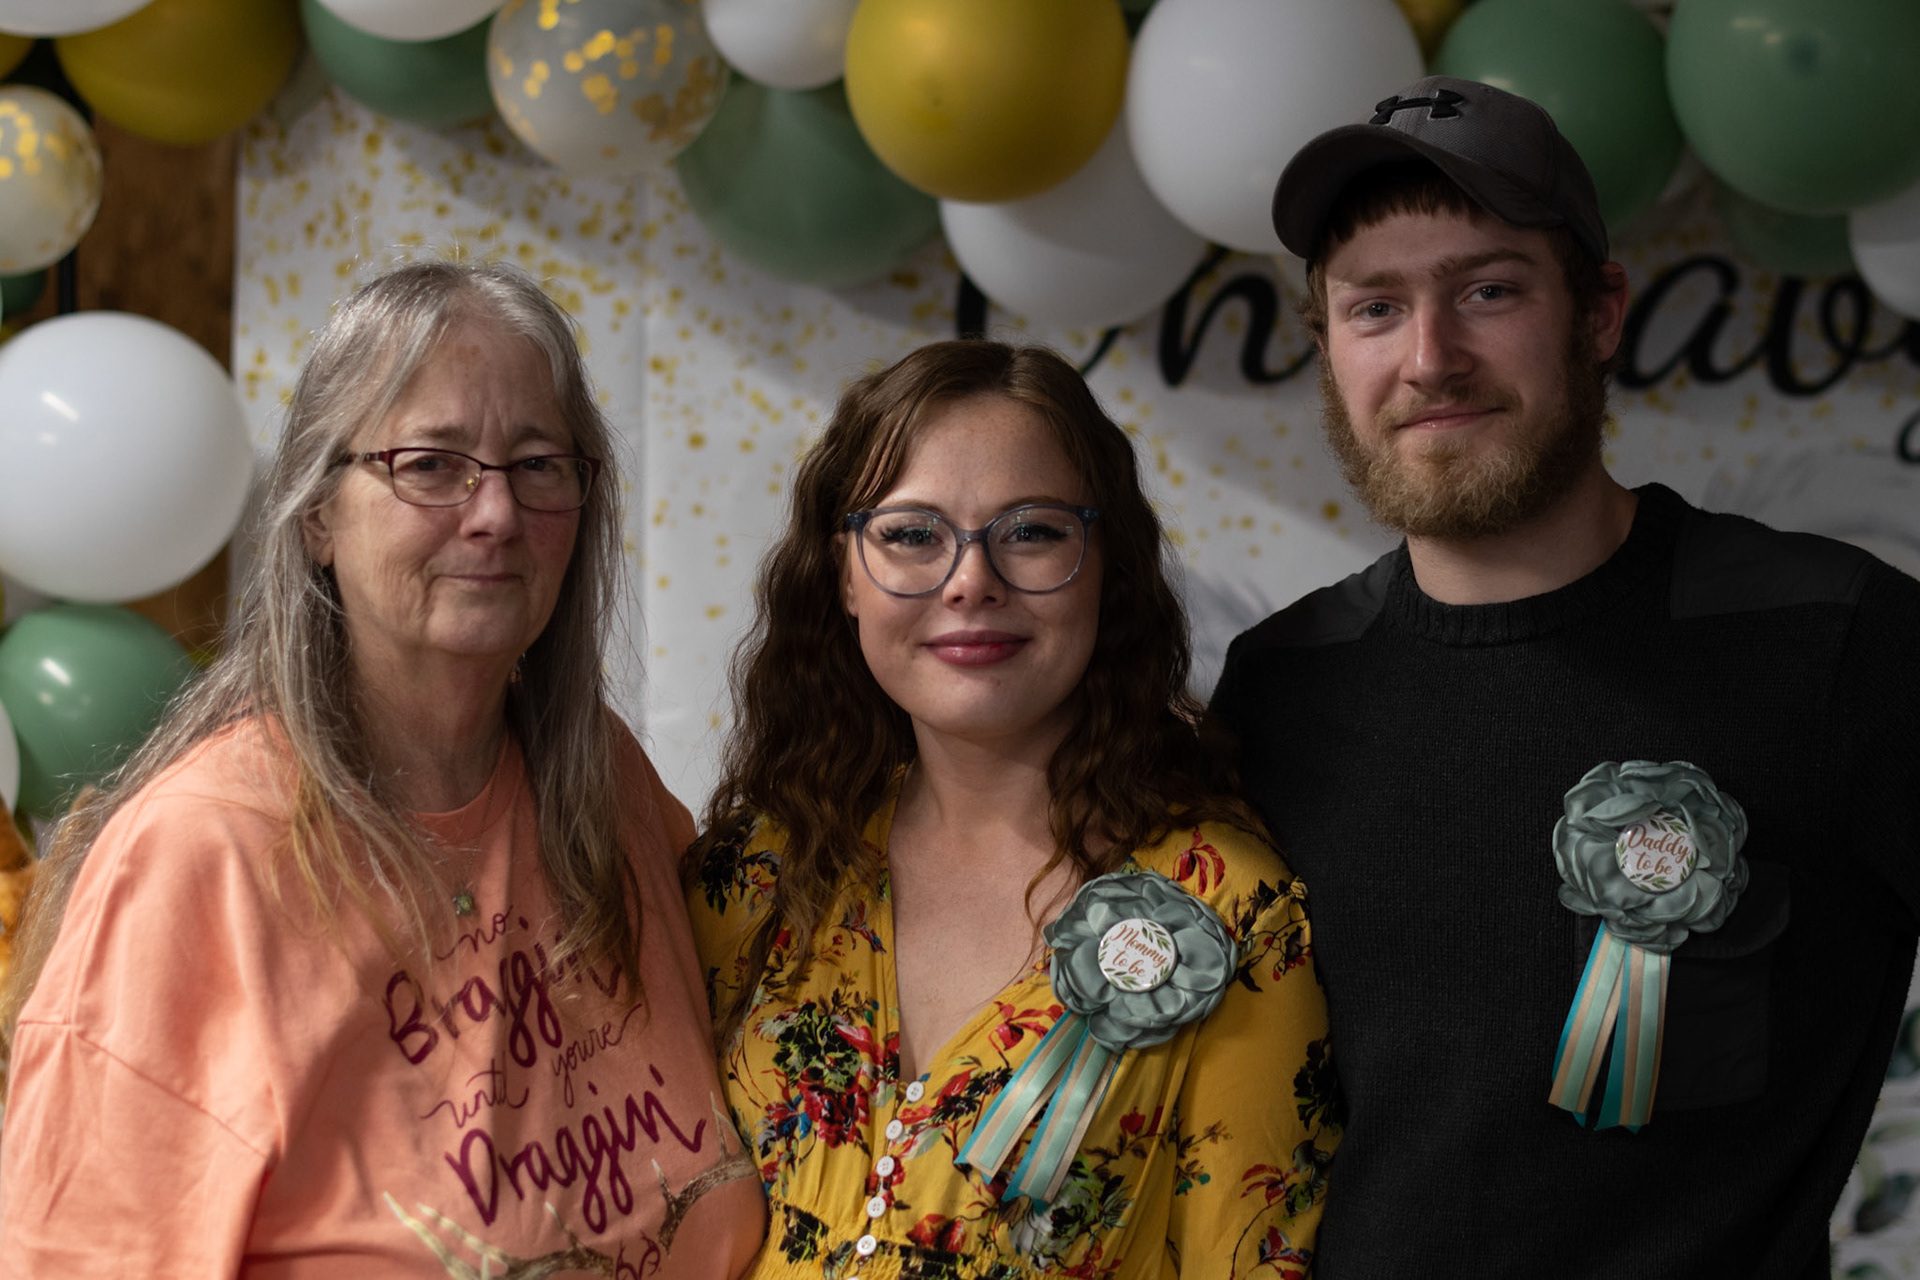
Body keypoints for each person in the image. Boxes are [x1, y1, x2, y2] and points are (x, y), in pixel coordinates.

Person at [1209, 75, 1920, 1278]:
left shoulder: (1834, 637)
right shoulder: (1281, 684)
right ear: (1327, 347)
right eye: (1375, 307)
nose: (1430, 358)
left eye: (1488, 290)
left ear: (1598, 312)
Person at [0, 261, 766, 1277]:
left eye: (538, 464)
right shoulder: (200, 857)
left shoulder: (601, 781)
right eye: (431, 464)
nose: (496, 513)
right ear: (318, 513)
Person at [684, 340, 1339, 1278]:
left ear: (1106, 564)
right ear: (843, 574)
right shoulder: (751, 872)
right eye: (912, 534)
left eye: (1030, 531)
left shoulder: (1228, 908)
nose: (970, 580)